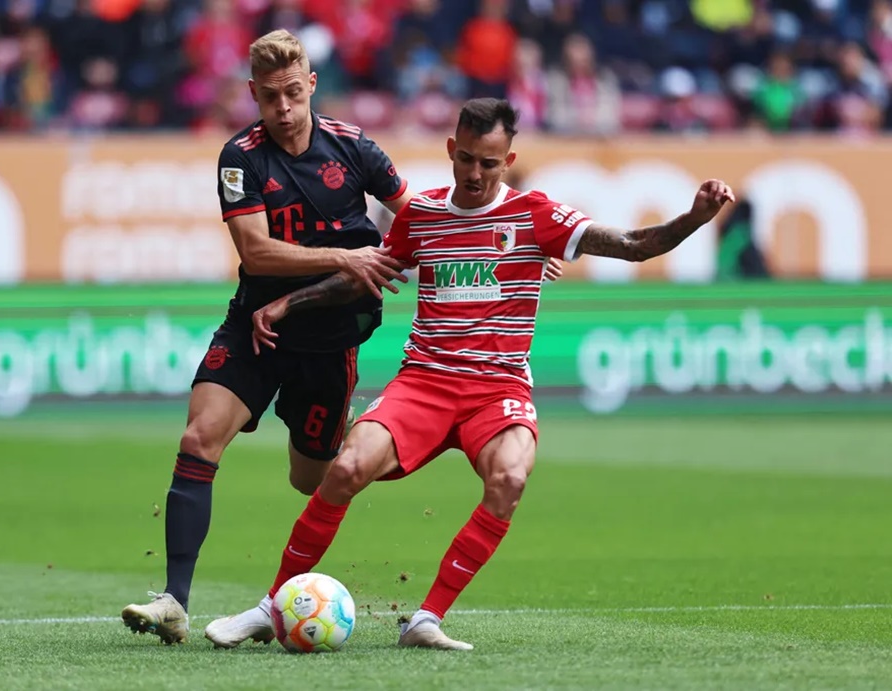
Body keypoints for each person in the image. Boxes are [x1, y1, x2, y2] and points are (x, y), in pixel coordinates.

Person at [205, 97, 735, 650]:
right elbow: (367, 275)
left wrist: (695, 218)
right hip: (425, 383)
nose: (476, 174)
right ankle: (271, 605)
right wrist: (290, 304)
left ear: (508, 159)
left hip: (497, 390)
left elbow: (633, 246)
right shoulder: (423, 215)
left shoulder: (537, 215)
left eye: (489, 162)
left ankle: (426, 618)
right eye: (468, 161)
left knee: (509, 479)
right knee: (347, 468)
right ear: (452, 150)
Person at [119, 28, 415, 646]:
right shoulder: (240, 156)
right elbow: (254, 251)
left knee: (311, 481)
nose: (282, 110)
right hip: (256, 328)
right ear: (252, 94)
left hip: (329, 341)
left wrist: (513, 250)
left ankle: (369, 439)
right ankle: (175, 600)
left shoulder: (355, 147)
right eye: (269, 98)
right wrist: (346, 259)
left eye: (292, 94)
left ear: (310, 85)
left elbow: (418, 216)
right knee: (199, 436)